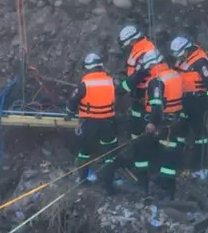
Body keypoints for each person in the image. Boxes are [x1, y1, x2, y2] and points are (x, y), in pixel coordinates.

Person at [124, 49, 183, 199]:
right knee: (169, 156)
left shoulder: (156, 81)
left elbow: (157, 106)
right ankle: (169, 192)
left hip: (161, 122)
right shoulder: (174, 74)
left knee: (141, 150)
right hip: (175, 119)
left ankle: (142, 185)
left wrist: (152, 123)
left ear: (151, 65)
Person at [66, 53, 118, 194]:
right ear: (100, 65)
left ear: (88, 68)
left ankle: (83, 181)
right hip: (108, 122)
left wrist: (69, 112)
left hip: (89, 123)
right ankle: (108, 187)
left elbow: (73, 101)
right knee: (110, 154)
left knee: (84, 152)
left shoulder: (85, 83)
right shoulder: (110, 81)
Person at [169, 36, 208, 176]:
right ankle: (178, 163)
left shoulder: (200, 61)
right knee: (180, 132)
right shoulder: (183, 60)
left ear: (187, 50)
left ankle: (201, 165)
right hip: (184, 100)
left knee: (199, 133)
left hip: (197, 100)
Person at [116, 25, 156, 156]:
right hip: (138, 93)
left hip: (145, 93)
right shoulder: (139, 48)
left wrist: (122, 88)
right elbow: (132, 71)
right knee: (135, 123)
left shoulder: (146, 50)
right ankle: (135, 149)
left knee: (142, 125)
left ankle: (143, 153)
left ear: (132, 40)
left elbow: (139, 75)